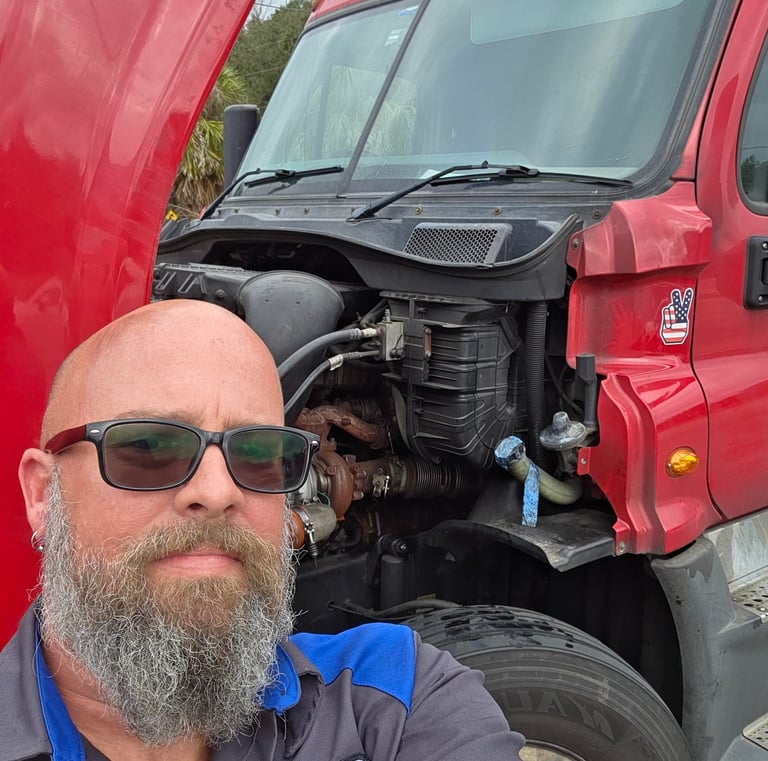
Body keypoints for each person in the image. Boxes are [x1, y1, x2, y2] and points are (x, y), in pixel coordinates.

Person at [1, 300, 524, 761]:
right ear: (43, 494)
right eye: (149, 447)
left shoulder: (397, 698)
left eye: (256, 453)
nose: (218, 491)